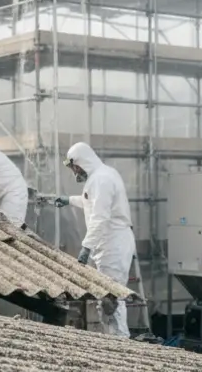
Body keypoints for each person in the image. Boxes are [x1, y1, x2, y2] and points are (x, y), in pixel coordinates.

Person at [44, 142, 136, 337]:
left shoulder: (102, 179)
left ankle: (121, 342)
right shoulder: (99, 176)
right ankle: (113, 340)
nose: (74, 172)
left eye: (74, 168)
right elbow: (91, 201)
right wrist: (69, 200)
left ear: (81, 163)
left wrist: (86, 248)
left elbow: (100, 217)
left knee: (112, 298)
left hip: (113, 243)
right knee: (106, 297)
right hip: (108, 242)